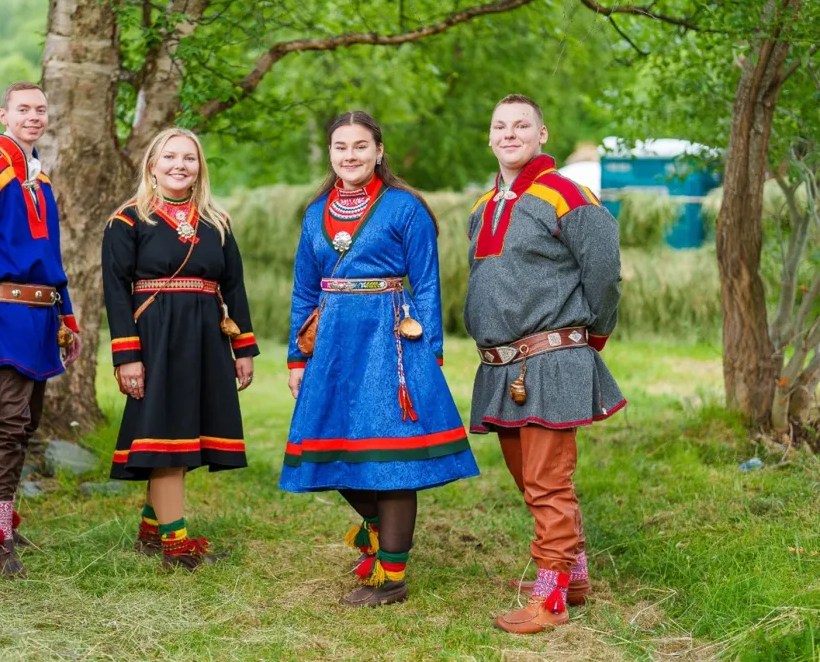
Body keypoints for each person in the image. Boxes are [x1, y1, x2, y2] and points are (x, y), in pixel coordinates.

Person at [281, 111, 480, 607]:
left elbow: (427, 284)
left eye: (360, 146)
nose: (350, 155)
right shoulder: (315, 213)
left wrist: (429, 354)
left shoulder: (404, 208)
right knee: (330, 448)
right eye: (341, 147)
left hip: (389, 341)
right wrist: (297, 358)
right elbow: (304, 290)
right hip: (332, 347)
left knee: (393, 458)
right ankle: (378, 530)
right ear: (331, 153)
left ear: (379, 151)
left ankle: (391, 577)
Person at [465, 94, 625, 634]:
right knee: (531, 483)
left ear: (542, 134)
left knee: (548, 482)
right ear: (490, 136)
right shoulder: (483, 205)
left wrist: (593, 335)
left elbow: (603, 272)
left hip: (551, 357)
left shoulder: (567, 194)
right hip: (501, 366)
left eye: (521, 125)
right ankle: (572, 578)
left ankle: (550, 599)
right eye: (500, 126)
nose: (509, 134)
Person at [102, 127, 259, 570]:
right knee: (166, 439)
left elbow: (234, 287)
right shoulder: (127, 221)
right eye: (170, 157)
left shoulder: (216, 222)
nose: (179, 165)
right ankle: (177, 546)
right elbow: (116, 293)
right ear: (152, 165)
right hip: (156, 340)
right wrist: (127, 357)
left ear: (199, 168)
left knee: (185, 435)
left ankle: (152, 533)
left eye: (189, 158)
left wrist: (243, 348)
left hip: (206, 339)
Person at [0, 81, 82, 578]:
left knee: (26, 422)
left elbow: (51, 258)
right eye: (23, 108)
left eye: (40, 109)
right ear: (3, 115)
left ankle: (5, 521)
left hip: (41, 318)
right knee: (7, 422)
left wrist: (67, 317)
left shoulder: (39, 178)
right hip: (3, 316)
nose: (34, 116)